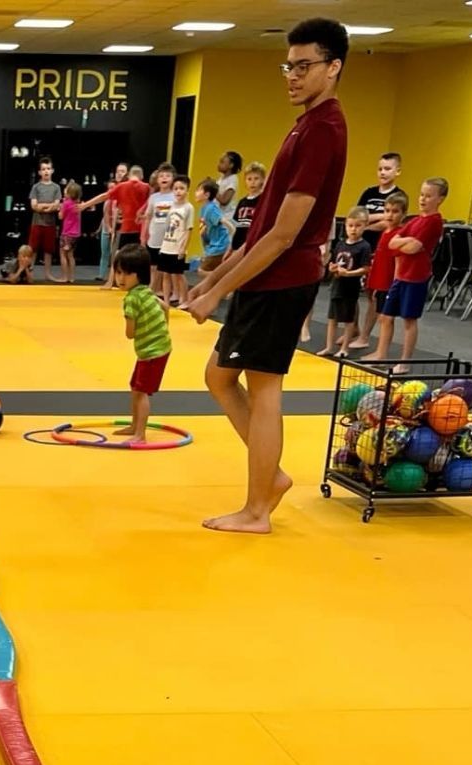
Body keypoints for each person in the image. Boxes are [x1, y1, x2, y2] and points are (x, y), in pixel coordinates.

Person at [187, 18, 349, 534]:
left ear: (333, 67)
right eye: (289, 66)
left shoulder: (323, 130)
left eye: (304, 66)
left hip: (283, 279)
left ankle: (258, 508)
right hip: (267, 277)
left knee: (264, 389)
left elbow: (282, 235)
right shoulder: (304, 124)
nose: (293, 76)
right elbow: (258, 231)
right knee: (218, 377)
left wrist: (218, 294)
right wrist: (212, 282)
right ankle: (270, 477)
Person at [374, 177, 447, 374]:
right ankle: (381, 354)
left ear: (439, 199)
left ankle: (405, 361)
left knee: (409, 320)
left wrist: (405, 243)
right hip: (401, 276)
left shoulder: (434, 222)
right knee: (386, 316)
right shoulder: (415, 220)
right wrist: (406, 241)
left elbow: (414, 248)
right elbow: (392, 242)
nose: (423, 199)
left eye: (428, 196)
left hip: (416, 277)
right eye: (422, 195)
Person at [113, 244, 172, 443]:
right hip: (158, 348)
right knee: (135, 388)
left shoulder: (131, 299)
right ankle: (133, 426)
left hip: (151, 352)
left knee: (141, 393)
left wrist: (143, 331)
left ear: (138, 275)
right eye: (118, 273)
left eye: (126, 274)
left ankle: (140, 435)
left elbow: (130, 334)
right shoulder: (145, 291)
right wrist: (162, 330)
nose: (120, 279)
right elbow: (165, 307)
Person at [349, 152, 405, 349]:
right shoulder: (369, 193)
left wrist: (367, 222)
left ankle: (364, 335)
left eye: (388, 169)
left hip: (381, 250)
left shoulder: (399, 196)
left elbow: (386, 223)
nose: (383, 172)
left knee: (373, 294)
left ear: (397, 171)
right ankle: (352, 328)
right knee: (352, 289)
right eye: (380, 168)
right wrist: (368, 221)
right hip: (360, 246)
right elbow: (356, 215)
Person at [317, 207, 371, 359]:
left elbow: (366, 268)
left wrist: (349, 273)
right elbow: (333, 262)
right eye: (350, 225)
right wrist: (332, 268)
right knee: (332, 318)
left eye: (358, 226)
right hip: (337, 285)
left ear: (365, 226)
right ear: (346, 225)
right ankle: (328, 346)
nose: (353, 229)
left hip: (351, 288)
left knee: (348, 320)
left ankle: (345, 347)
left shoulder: (364, 246)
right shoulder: (340, 244)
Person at [363, 191, 407, 342]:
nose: (390, 215)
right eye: (387, 211)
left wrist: (394, 286)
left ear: (403, 214)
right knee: (381, 316)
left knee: (385, 318)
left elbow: (398, 263)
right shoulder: (385, 232)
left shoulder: (398, 234)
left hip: (388, 283)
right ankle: (379, 349)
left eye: (395, 212)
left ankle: (382, 352)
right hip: (379, 281)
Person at [158, 175, 194, 308]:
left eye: (181, 188)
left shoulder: (188, 208)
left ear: (187, 190)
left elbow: (189, 229)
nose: (178, 191)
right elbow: (168, 226)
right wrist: (163, 244)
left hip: (178, 246)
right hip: (167, 245)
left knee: (178, 274)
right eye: (176, 188)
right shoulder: (171, 206)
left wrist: (183, 248)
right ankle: (166, 301)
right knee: (165, 274)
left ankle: (184, 299)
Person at [143, 163, 176, 295]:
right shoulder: (153, 198)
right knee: (153, 265)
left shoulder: (175, 196)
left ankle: (162, 289)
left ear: (173, 178)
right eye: (161, 175)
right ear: (157, 179)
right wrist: (144, 234)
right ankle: (154, 287)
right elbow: (148, 216)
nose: (164, 178)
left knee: (166, 267)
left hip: (169, 236)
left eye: (168, 175)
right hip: (154, 235)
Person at [28, 156, 62, 283]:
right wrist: (47, 206)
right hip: (37, 223)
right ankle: (29, 272)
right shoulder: (36, 187)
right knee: (33, 249)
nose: (46, 171)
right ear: (39, 172)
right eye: (43, 169)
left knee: (48, 250)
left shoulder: (56, 187)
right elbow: (34, 205)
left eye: (48, 168)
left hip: (50, 224)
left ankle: (48, 274)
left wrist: (44, 206)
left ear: (52, 170)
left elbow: (57, 204)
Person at [230, 162, 266, 254]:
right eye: (249, 179)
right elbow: (236, 226)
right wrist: (229, 249)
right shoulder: (242, 202)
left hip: (253, 244)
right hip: (238, 245)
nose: (252, 182)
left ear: (263, 180)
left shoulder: (263, 200)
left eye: (256, 178)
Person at [196, 179, 230, 273]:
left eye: (198, 190)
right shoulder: (204, 209)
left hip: (220, 246)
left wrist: (233, 239)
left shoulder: (211, 208)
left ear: (207, 195)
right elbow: (206, 232)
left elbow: (225, 223)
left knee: (202, 271)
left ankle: (220, 279)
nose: (196, 193)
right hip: (213, 246)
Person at [58, 180, 82, 284]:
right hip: (75, 234)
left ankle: (65, 277)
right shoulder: (77, 204)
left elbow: (61, 216)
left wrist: (60, 209)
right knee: (71, 255)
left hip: (66, 233)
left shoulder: (66, 203)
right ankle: (72, 277)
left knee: (63, 254)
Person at [93, 180, 118, 283]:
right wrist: (108, 229)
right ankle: (101, 274)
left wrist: (114, 231)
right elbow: (106, 216)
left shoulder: (118, 201)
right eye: (109, 188)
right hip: (106, 230)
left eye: (113, 187)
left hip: (116, 229)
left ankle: (114, 276)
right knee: (105, 253)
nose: (111, 190)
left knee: (114, 254)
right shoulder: (107, 202)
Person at [217, 150, 243, 224]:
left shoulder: (232, 179)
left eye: (222, 162)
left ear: (231, 165)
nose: (219, 164)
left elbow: (224, 200)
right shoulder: (221, 179)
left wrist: (213, 188)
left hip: (227, 219)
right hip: (220, 218)